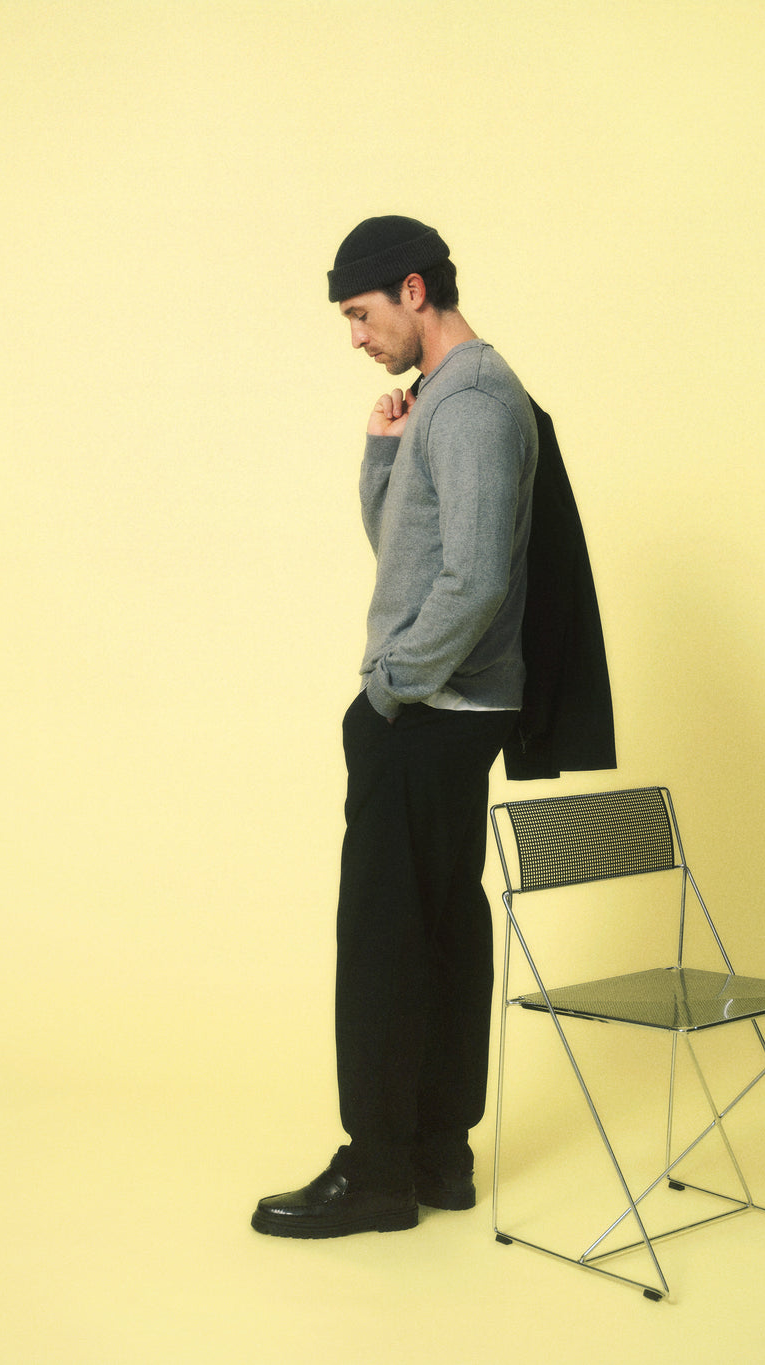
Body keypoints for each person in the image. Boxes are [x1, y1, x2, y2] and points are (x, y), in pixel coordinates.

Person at [251, 216, 539, 1239]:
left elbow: (472, 581)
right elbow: (410, 554)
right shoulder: (443, 405)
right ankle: (436, 1159)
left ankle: (376, 1174)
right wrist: (382, 459)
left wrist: (389, 686)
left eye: (361, 313)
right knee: (441, 932)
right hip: (454, 711)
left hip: (427, 713)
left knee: (382, 940)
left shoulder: (468, 406)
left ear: (413, 292)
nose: (357, 337)